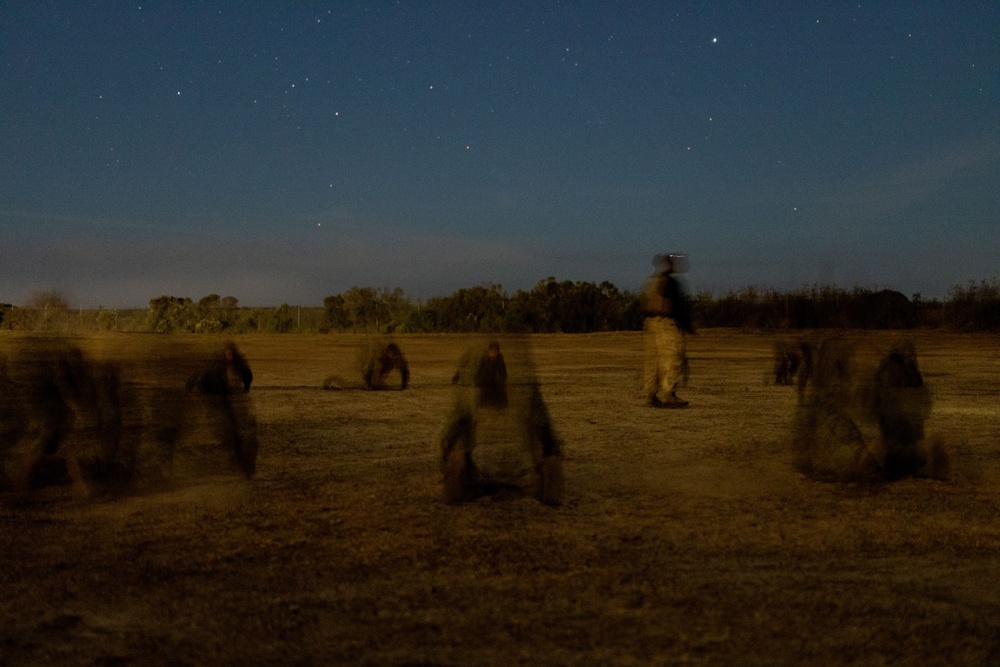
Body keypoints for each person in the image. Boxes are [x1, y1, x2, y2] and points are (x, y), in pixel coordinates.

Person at [641, 253, 693, 408]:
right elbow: (672, 305)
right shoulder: (669, 282)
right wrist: (686, 325)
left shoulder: (651, 281)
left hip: (650, 323)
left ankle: (651, 394)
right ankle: (668, 393)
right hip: (666, 323)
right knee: (672, 358)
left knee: (653, 361)